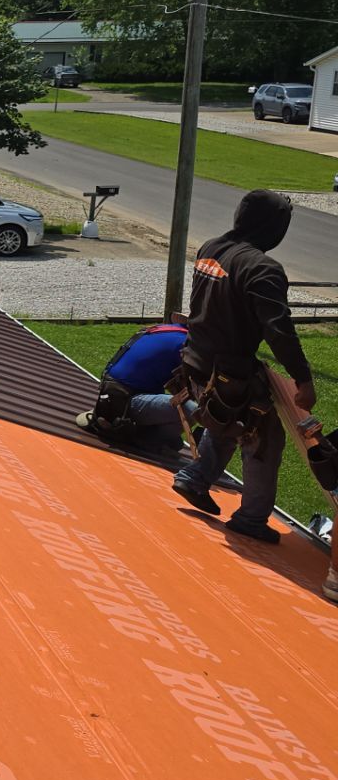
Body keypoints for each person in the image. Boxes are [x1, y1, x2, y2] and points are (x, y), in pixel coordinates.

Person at [172, 189, 315, 542]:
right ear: (273, 228)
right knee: (263, 439)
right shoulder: (261, 268)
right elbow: (279, 330)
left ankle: (195, 478)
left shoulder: (212, 248)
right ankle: (251, 519)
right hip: (228, 372)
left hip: (197, 362)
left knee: (226, 420)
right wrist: (303, 379)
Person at [76, 320, 190, 452]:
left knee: (175, 441)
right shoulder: (185, 345)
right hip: (126, 401)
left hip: (112, 394)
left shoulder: (168, 330)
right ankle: (144, 441)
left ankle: (145, 433)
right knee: (189, 409)